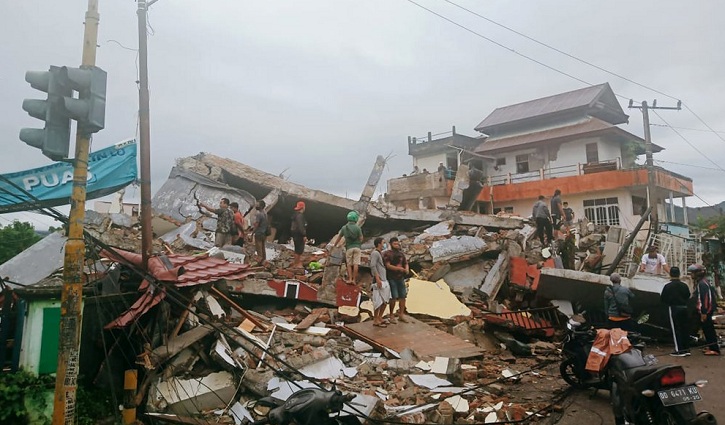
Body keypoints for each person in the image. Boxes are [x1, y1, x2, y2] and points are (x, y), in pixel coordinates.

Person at [689, 264, 721, 356]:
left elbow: (705, 299)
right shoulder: (703, 282)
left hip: (705, 311)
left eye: (692, 273)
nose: (691, 275)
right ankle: (711, 346)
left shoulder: (702, 284)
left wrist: (704, 312)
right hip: (707, 310)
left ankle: (714, 349)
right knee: (707, 329)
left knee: (709, 330)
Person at [660, 266, 692, 356]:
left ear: (670, 274)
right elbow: (688, 296)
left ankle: (679, 350)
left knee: (676, 329)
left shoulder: (667, 286)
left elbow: (663, 299)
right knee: (684, 329)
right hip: (684, 308)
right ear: (679, 274)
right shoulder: (684, 285)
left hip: (674, 308)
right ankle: (687, 349)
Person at [384, 237, 409, 323]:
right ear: (391, 244)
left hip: (400, 278)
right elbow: (387, 265)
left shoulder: (401, 254)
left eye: (398, 244)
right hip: (391, 277)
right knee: (393, 297)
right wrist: (398, 269)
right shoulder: (387, 254)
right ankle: (391, 315)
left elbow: (406, 263)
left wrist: (406, 269)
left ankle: (401, 315)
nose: (397, 245)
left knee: (403, 296)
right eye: (395, 244)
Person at [369, 237, 391, 327]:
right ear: (378, 244)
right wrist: (377, 278)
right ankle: (375, 319)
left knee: (385, 299)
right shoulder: (375, 253)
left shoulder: (380, 253)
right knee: (378, 300)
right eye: (383, 243)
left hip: (384, 279)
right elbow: (373, 266)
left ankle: (380, 317)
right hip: (379, 279)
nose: (384, 244)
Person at [339, 211, 363, 284]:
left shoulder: (344, 228)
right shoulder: (358, 228)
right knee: (356, 264)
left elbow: (339, 237)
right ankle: (354, 280)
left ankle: (350, 279)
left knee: (349, 264)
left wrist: (335, 245)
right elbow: (361, 238)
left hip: (349, 248)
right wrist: (358, 243)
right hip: (357, 248)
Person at [251, 200, 269, 264]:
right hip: (264, 233)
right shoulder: (265, 213)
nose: (256, 205)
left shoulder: (259, 214)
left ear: (261, 206)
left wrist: (252, 233)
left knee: (259, 249)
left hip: (259, 233)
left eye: (257, 204)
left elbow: (256, 225)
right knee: (263, 248)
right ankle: (264, 261)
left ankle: (260, 262)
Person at [290, 201, 307, 269]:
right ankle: (297, 264)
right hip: (299, 234)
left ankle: (296, 263)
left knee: (297, 249)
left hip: (295, 234)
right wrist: (304, 235)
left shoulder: (295, 215)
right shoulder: (300, 216)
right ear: (303, 207)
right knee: (299, 250)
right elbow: (301, 226)